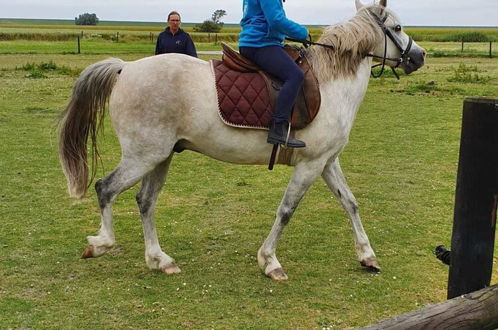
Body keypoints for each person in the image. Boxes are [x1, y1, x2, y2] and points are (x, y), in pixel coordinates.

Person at [239, 0, 308, 148]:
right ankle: (278, 127)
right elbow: (276, 20)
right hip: (260, 44)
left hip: (255, 42)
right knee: (295, 75)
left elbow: (263, 19)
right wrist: (302, 32)